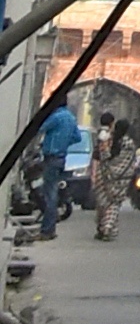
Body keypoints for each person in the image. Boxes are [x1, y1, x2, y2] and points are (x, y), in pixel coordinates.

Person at [31, 96, 85, 240]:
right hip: (61, 158)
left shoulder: (56, 117)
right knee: (52, 192)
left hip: (51, 157)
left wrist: (52, 142)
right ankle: (50, 226)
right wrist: (64, 142)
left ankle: (47, 229)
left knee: (50, 194)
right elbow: (77, 137)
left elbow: (40, 128)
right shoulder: (71, 118)